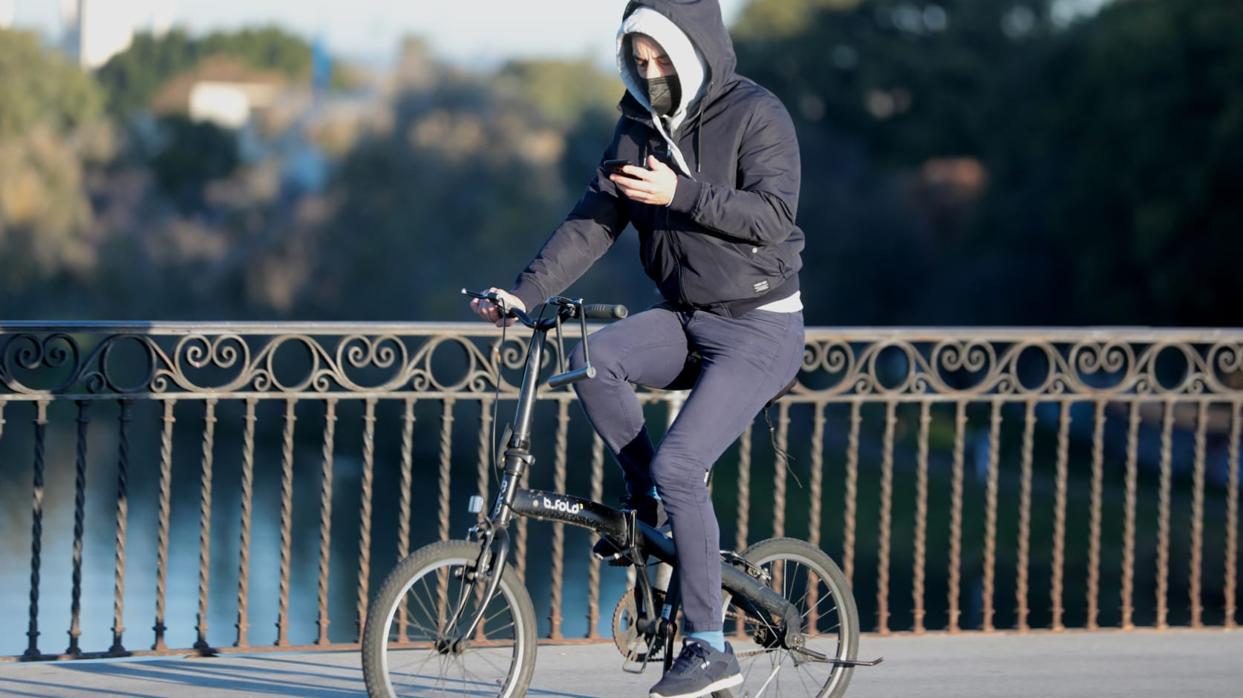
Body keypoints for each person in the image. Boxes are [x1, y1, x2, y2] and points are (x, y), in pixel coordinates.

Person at [470, 1, 805, 696]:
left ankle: (710, 645)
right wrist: (521, 296)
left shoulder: (756, 113)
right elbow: (591, 223)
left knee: (684, 461)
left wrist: (679, 193)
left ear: (694, 51)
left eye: (660, 59)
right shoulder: (635, 128)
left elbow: (772, 218)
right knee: (592, 362)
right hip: (684, 315)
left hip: (760, 325)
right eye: (637, 60)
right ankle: (645, 502)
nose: (649, 73)